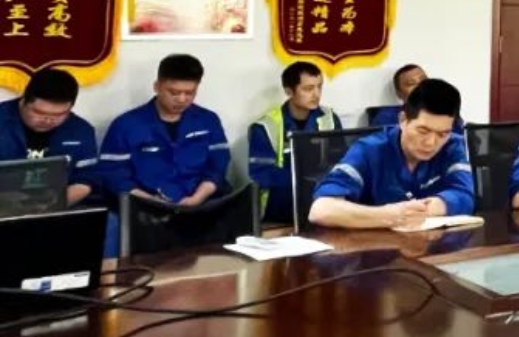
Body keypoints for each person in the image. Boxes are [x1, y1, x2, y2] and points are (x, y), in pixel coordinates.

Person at [310, 79, 472, 228]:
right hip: (373, 246)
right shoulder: (369, 150)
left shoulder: (452, 146)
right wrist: (391, 215)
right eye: (423, 131)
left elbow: (466, 194)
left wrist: (427, 208)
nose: (431, 143)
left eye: (442, 134)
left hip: (431, 244)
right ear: (403, 120)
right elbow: (321, 210)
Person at [99, 54, 229, 206]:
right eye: (174, 93)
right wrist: (152, 202)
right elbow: (114, 175)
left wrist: (198, 198)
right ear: (157, 87)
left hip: (202, 203)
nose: (182, 99)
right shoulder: (125, 125)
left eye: (189, 93)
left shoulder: (208, 120)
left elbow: (217, 166)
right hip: (144, 207)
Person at [248, 60, 344, 224]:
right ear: (289, 91)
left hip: (323, 201)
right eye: (308, 89)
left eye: (319, 87)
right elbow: (262, 174)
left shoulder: (330, 118)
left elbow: (341, 160)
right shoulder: (265, 127)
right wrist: (305, 182)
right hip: (281, 208)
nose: (316, 94)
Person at [0, 68, 100, 206]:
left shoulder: (81, 130)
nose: (48, 120)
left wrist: (53, 207)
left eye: (59, 115)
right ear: (24, 100)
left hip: (57, 206)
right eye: (39, 113)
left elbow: (86, 180)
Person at [370, 64, 464, 132]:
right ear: (399, 94)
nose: (421, 85)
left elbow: (462, 143)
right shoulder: (387, 117)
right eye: (411, 83)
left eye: (424, 80)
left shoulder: (446, 110)